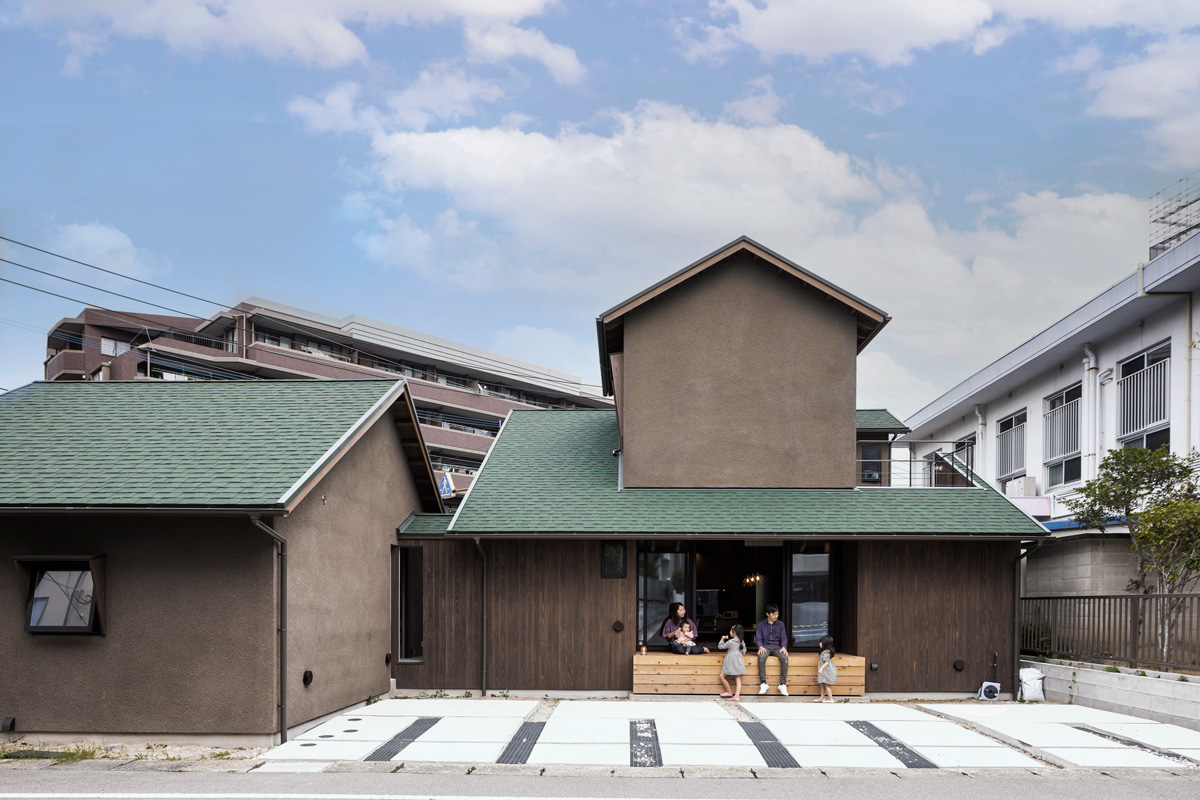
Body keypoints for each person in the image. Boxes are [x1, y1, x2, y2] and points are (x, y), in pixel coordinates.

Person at [755, 603, 789, 695]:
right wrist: (760, 647)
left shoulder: (780, 624)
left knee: (784, 657)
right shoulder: (761, 624)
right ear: (767, 614)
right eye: (774, 614)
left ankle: (782, 684)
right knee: (761, 657)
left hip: (777, 646)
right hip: (765, 646)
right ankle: (763, 683)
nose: (776, 616)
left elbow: (784, 637)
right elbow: (758, 638)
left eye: (777, 614)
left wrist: (784, 647)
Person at [718, 624, 747, 700]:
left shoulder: (730, 642)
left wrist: (722, 639)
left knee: (722, 676)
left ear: (734, 632)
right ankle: (737, 696)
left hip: (730, 662)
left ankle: (729, 691)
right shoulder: (741, 641)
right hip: (738, 662)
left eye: (731, 630)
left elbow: (721, 646)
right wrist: (740, 653)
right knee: (737, 678)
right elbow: (744, 651)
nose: (729, 632)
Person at [816, 635, 837, 702]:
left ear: (825, 644)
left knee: (826, 685)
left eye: (821, 642)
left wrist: (821, 668)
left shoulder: (826, 653)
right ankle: (822, 697)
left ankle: (830, 698)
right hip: (824, 671)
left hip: (826, 671)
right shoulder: (824, 652)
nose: (820, 643)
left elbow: (826, 662)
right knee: (822, 684)